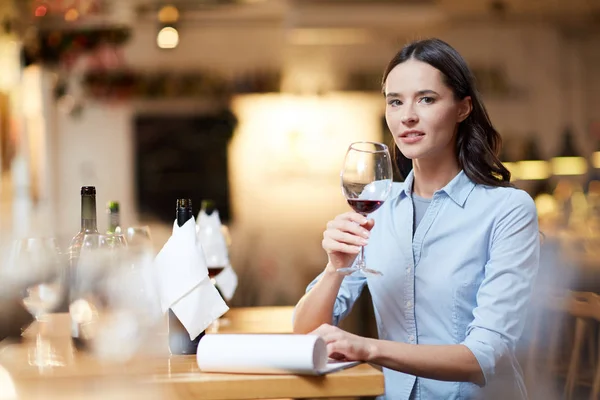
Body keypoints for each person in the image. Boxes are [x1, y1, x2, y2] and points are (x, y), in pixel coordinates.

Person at [292, 38, 540, 400]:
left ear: (462, 108)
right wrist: (335, 268)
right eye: (395, 101)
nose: (407, 115)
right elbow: (304, 333)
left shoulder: (508, 210)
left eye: (426, 99)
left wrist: (368, 348)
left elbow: (483, 357)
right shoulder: (378, 205)